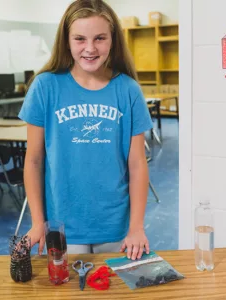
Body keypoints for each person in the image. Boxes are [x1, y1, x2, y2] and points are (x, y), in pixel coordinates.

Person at [18, 0, 153, 261]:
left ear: (113, 40)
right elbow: (34, 160)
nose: (90, 48)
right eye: (80, 38)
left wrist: (136, 226)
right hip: (62, 225)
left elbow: (137, 163)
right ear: (66, 41)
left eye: (100, 38)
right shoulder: (45, 87)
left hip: (116, 225)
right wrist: (38, 222)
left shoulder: (128, 90)